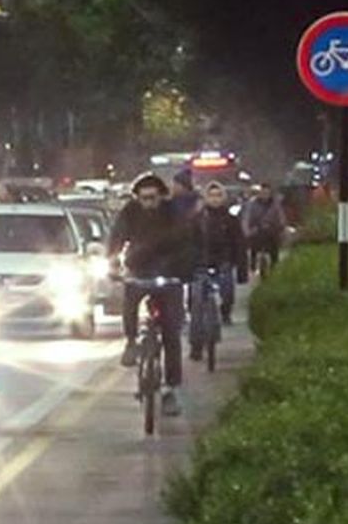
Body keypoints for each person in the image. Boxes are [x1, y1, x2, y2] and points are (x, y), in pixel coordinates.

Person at [110, 173, 194, 417]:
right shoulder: (129, 213)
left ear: (161, 196)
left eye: (153, 197)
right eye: (143, 198)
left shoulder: (173, 213)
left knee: (171, 334)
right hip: (139, 271)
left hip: (170, 274)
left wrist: (182, 270)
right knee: (130, 300)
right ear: (137, 198)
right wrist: (114, 263)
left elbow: (185, 240)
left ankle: (171, 390)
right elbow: (116, 238)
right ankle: (131, 342)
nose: (148, 202)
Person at [189, 182, 244, 360]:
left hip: (223, 264)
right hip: (200, 266)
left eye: (218, 195)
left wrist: (241, 268)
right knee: (196, 304)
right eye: (211, 195)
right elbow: (187, 244)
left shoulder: (231, 220)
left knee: (227, 291)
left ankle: (225, 312)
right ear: (205, 198)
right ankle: (196, 345)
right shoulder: (196, 220)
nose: (215, 199)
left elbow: (239, 245)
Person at [242, 184, 287, 271]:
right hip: (257, 230)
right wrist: (247, 231)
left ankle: (274, 266)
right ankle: (253, 265)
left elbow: (281, 216)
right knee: (254, 247)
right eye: (263, 192)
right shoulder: (252, 205)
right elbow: (246, 218)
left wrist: (282, 227)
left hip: (271, 230)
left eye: (267, 193)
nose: (265, 195)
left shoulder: (275, 205)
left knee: (274, 248)